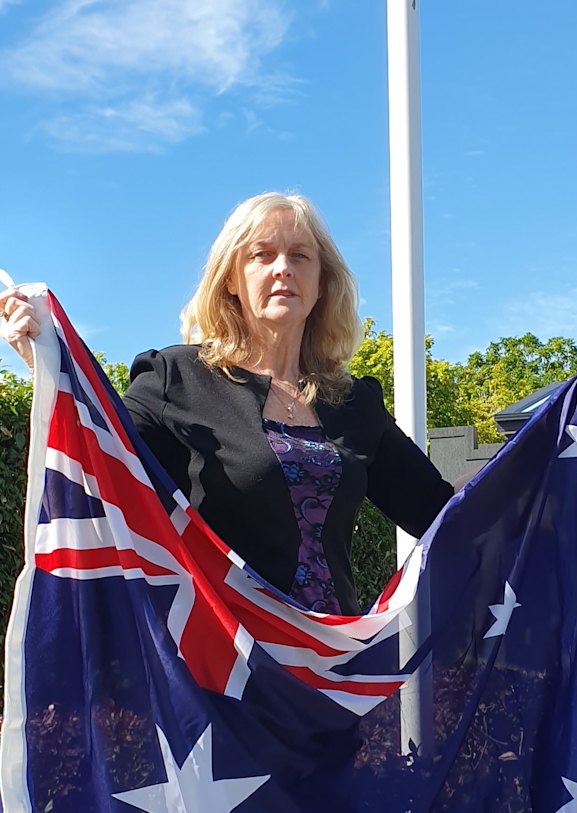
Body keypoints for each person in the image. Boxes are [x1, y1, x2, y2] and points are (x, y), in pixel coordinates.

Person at [0, 192, 453, 615]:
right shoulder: (174, 379)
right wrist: (46, 365)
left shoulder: (354, 402)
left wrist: (523, 462)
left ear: (321, 283)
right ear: (232, 279)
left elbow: (441, 513)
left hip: (332, 675)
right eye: (262, 255)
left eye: (299, 255)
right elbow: (99, 464)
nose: (283, 268)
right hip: (224, 673)